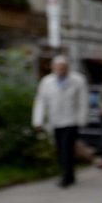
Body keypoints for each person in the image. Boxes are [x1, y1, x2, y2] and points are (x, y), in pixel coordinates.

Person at [32, 55, 88, 188]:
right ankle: (70, 174)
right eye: (58, 68)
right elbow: (41, 101)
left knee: (66, 148)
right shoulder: (47, 82)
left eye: (63, 68)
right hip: (55, 121)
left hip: (71, 120)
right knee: (60, 149)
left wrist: (82, 119)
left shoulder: (78, 80)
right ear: (53, 68)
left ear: (67, 68)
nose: (61, 71)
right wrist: (38, 120)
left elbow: (83, 101)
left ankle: (66, 177)